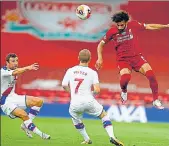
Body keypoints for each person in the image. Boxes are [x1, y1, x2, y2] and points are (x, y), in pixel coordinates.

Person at [95, 11, 169, 109]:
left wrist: (166, 26)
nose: (119, 27)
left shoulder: (133, 25)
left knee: (151, 76)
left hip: (137, 57)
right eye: (117, 25)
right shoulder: (112, 32)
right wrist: (100, 58)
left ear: (126, 22)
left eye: (121, 24)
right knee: (125, 78)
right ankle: (124, 91)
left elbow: (149, 26)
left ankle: (155, 100)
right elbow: (101, 44)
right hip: (123, 60)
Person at [62, 49, 124, 146]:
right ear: (90, 59)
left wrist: (72, 93)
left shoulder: (70, 70)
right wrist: (91, 94)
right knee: (104, 115)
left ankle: (87, 139)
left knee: (75, 118)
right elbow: (97, 90)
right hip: (89, 101)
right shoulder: (92, 72)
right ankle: (112, 136)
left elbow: (64, 85)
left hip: (75, 103)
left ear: (78, 58)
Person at [1, 53, 50, 139]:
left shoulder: (15, 70)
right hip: (5, 101)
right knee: (23, 114)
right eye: (13, 61)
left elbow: (17, 71)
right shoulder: (3, 72)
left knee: (39, 101)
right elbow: (16, 72)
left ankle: (25, 125)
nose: (15, 63)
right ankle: (41, 134)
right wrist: (28, 67)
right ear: (7, 63)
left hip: (14, 97)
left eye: (16, 61)